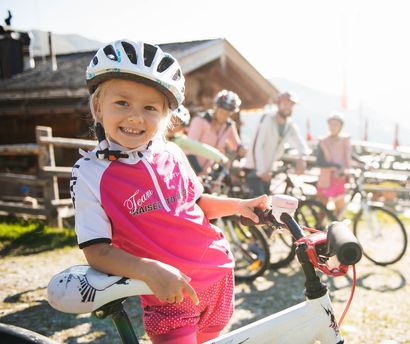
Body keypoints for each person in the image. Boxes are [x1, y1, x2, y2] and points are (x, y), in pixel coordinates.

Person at [70, 39, 269, 344]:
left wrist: (240, 205)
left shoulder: (173, 153)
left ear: (165, 116)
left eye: (150, 107)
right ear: (98, 106)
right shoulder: (90, 173)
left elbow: (197, 204)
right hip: (168, 293)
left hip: (219, 277)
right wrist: (149, 271)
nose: (136, 117)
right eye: (122, 102)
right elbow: (96, 251)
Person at [245, 92, 310, 196]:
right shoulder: (267, 119)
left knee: (266, 205)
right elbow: (258, 146)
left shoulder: (290, 125)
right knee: (259, 206)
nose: (288, 107)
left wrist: (302, 158)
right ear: (278, 104)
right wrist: (261, 171)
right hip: (255, 168)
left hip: (268, 170)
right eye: (285, 104)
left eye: (290, 105)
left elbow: (301, 143)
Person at [186, 90, 246, 174]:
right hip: (190, 168)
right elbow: (188, 147)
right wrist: (198, 170)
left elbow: (236, 145)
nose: (223, 116)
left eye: (227, 114)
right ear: (215, 107)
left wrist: (243, 151)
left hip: (208, 172)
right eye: (221, 112)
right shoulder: (200, 121)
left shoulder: (228, 126)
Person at [316, 113, 351, 216]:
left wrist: (362, 163)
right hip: (325, 178)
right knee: (322, 208)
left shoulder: (345, 141)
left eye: (336, 124)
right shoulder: (323, 141)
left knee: (339, 210)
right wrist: (334, 166)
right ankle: (319, 228)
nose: (333, 127)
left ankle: (336, 229)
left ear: (340, 126)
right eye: (331, 124)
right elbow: (319, 161)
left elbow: (350, 155)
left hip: (339, 178)